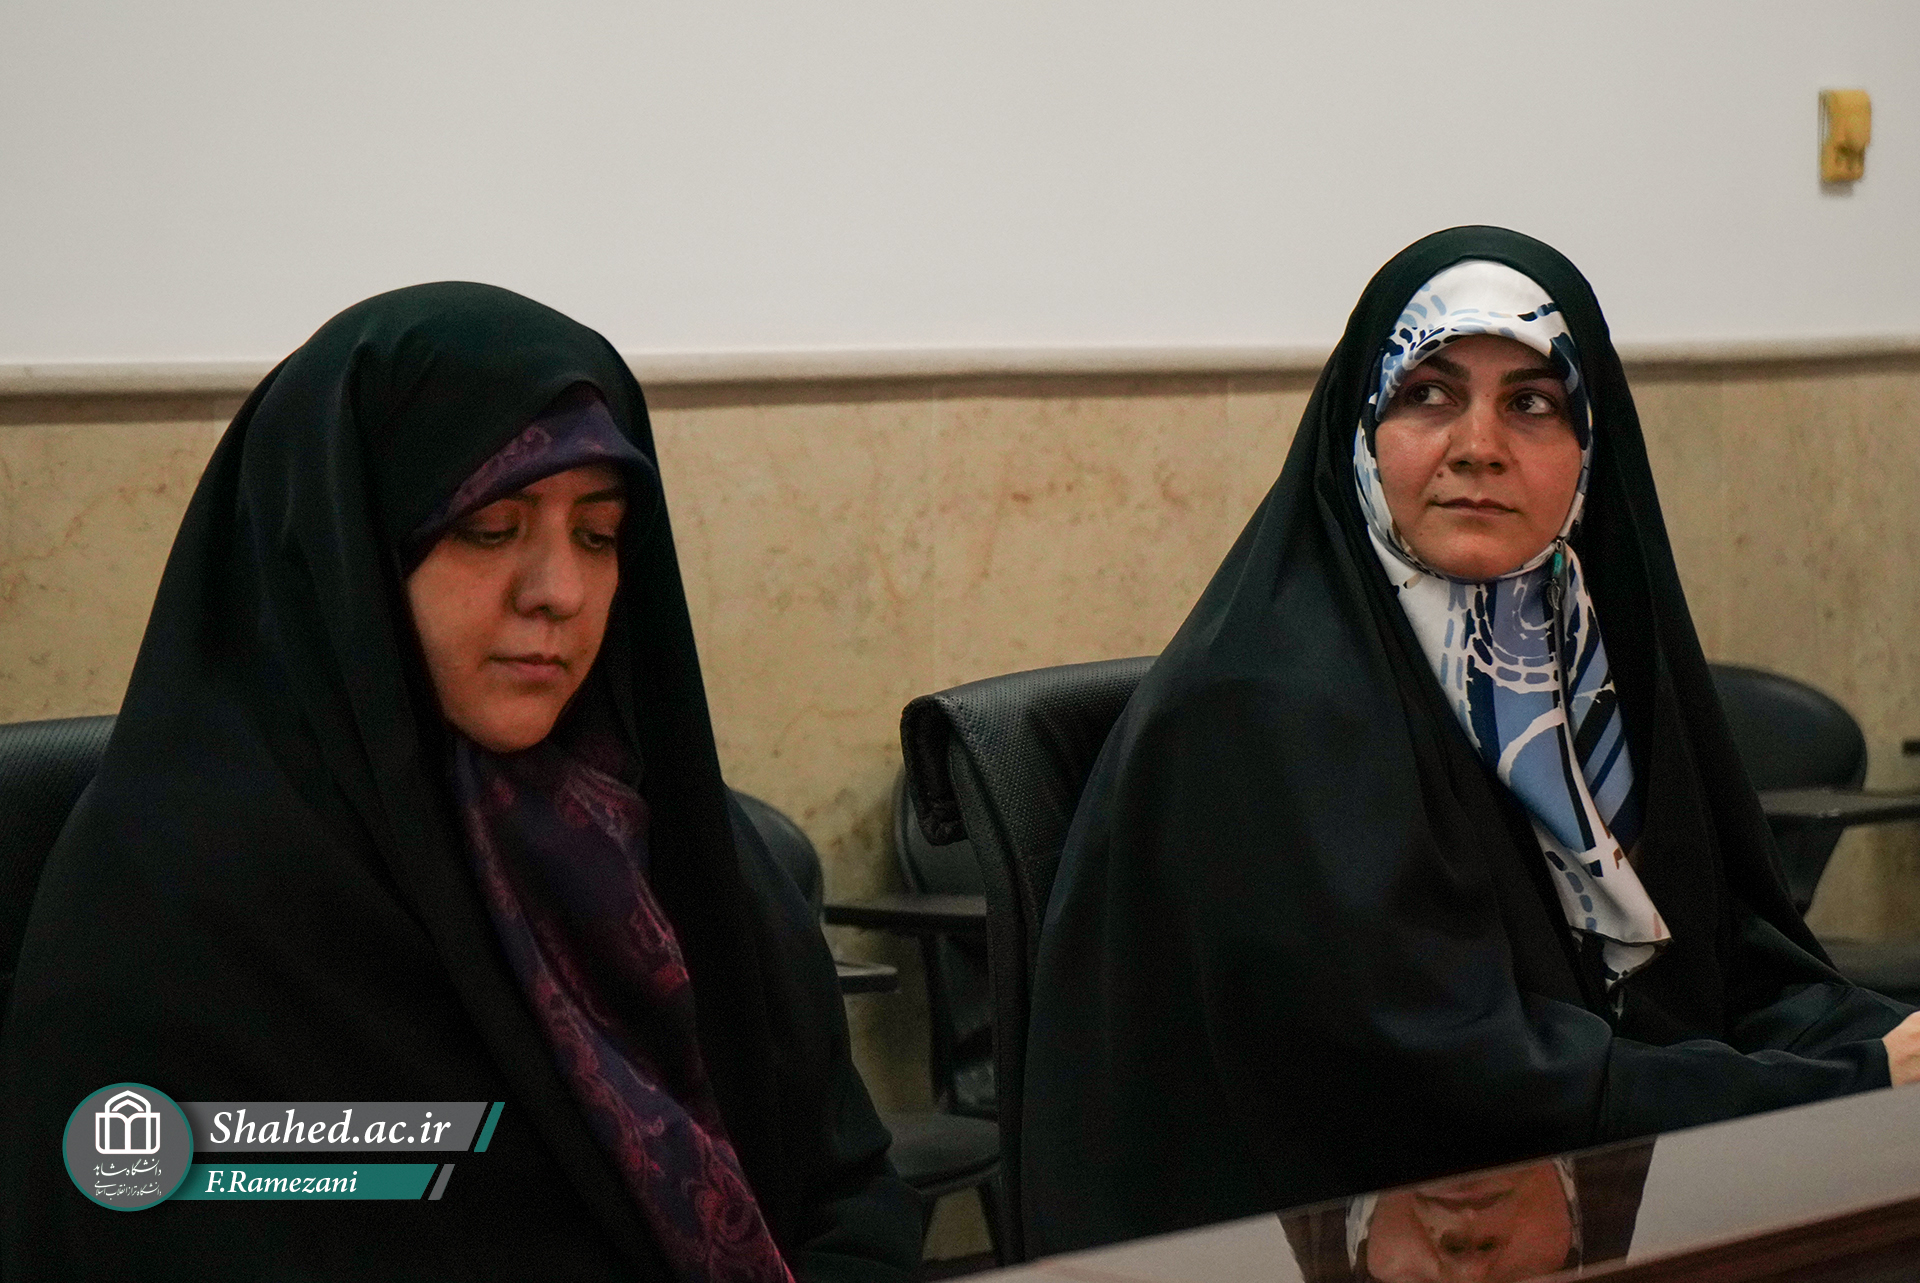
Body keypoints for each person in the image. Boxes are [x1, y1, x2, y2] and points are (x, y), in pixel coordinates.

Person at [1020, 226, 1920, 1255]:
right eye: (1427, 394)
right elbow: (1454, 1082)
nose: (1478, 444)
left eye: (1532, 403)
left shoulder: (1576, 652)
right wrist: (1850, 1083)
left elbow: (1722, 973)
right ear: (1362, 430)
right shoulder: (1266, 705)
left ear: (1592, 444)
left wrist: (1876, 1043)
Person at [0, 283, 921, 1281]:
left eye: (599, 534)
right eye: (489, 528)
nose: (558, 591)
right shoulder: (179, 906)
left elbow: (846, 1187)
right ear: (344, 551)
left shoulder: (665, 838)